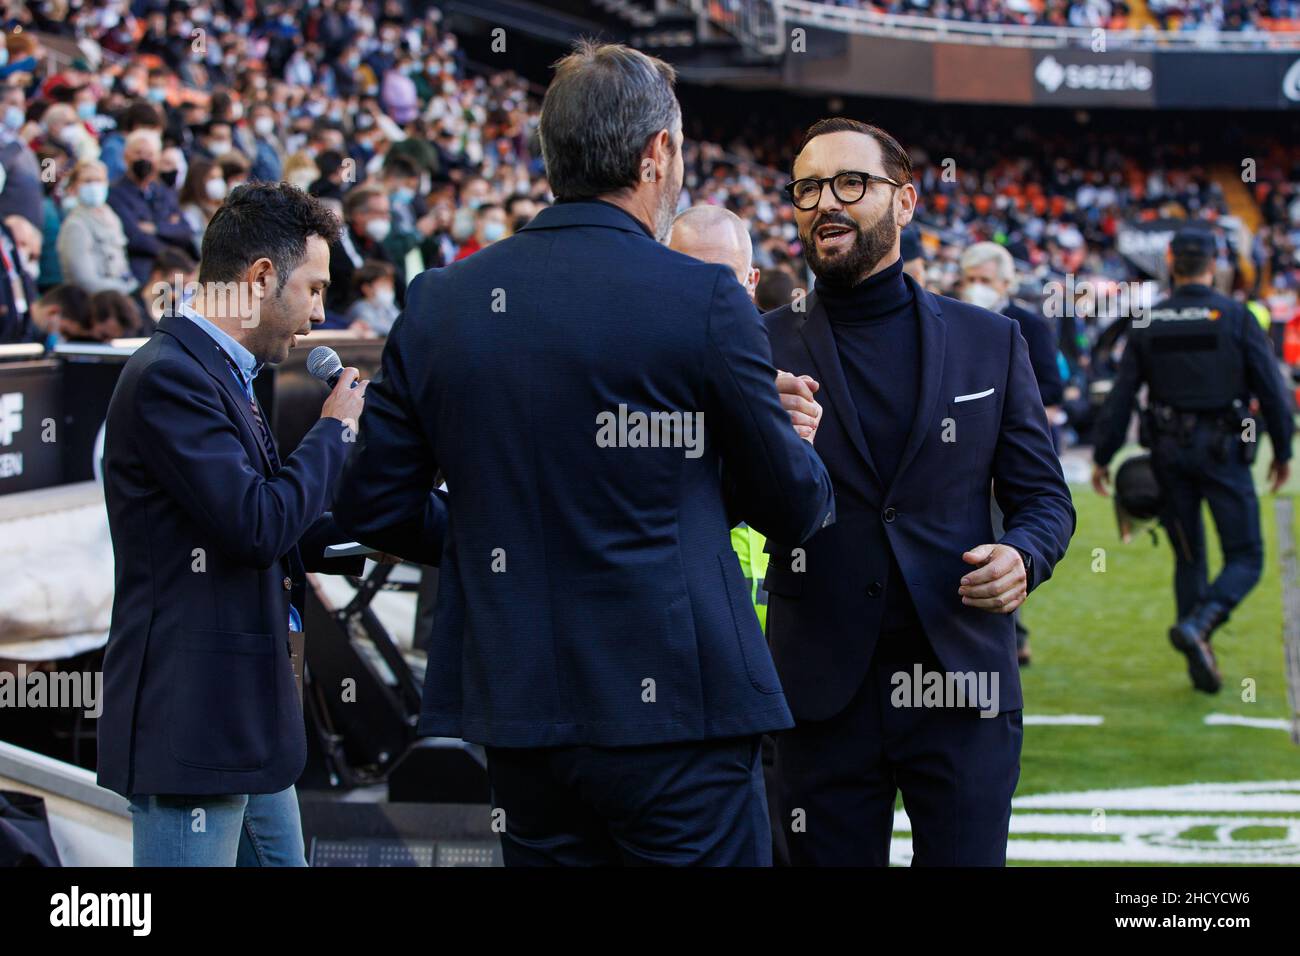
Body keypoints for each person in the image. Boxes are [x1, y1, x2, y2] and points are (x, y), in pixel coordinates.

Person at [334, 40, 835, 867]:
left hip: (523, 712)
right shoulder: (705, 296)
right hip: (682, 710)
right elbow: (792, 505)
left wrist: (502, 538)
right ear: (656, 152)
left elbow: (373, 506)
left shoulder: (442, 301)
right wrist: (790, 447)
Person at [763, 117, 1075, 866]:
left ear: (905, 202)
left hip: (961, 684)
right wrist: (758, 437)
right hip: (818, 694)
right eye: (807, 188)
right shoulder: (756, 343)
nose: (824, 203)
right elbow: (713, 499)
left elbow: (1045, 499)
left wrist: (1024, 557)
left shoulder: (990, 339)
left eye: (849, 183)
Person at [98, 182, 372, 867]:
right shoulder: (172, 376)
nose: (317, 314)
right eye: (312, 289)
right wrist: (334, 431)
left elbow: (273, 516)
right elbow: (254, 523)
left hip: (243, 716)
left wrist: (385, 524)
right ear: (258, 279)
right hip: (195, 721)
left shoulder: (219, 372)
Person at [1092, 226, 1294, 694]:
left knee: (1189, 558)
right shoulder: (1236, 316)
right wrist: (1283, 450)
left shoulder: (1148, 320)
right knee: (1245, 555)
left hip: (1167, 453)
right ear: (1215, 264)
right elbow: (1273, 390)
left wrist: (1103, 456)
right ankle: (1201, 625)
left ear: (1170, 261)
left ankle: (1196, 645)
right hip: (1224, 451)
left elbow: (1122, 396)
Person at [959, 240, 1064, 665]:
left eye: (984, 280)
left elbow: (1052, 388)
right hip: (961, 456)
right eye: (970, 279)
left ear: (1006, 282)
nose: (976, 288)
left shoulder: (1029, 326)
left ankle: (1007, 632)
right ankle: (1004, 631)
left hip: (1009, 457)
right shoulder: (952, 320)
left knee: (1005, 543)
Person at [107, 129, 196, 284]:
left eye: (149, 154)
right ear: (126, 156)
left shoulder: (163, 191)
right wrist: (170, 235)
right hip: (143, 268)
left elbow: (185, 231)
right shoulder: (115, 194)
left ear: (157, 158)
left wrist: (156, 228)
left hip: (177, 270)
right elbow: (135, 237)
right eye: (138, 153)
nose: (143, 159)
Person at [56, 159, 137, 295]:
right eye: (87, 181)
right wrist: (124, 291)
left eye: (99, 180)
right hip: (96, 302)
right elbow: (84, 280)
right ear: (74, 187)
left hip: (119, 293)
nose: (94, 185)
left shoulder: (112, 217)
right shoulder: (75, 225)